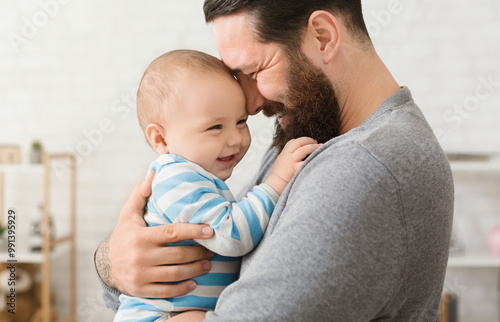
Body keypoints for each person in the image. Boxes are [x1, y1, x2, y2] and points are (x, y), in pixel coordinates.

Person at [95, 1, 455, 321]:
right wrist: (115, 263)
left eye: (253, 72)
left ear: (323, 37)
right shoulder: (312, 132)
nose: (250, 105)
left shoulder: (364, 165)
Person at [112, 49, 319, 321]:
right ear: (160, 139)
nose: (235, 138)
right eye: (215, 128)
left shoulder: (197, 178)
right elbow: (232, 235)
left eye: (241, 121)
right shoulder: (177, 180)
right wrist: (276, 182)